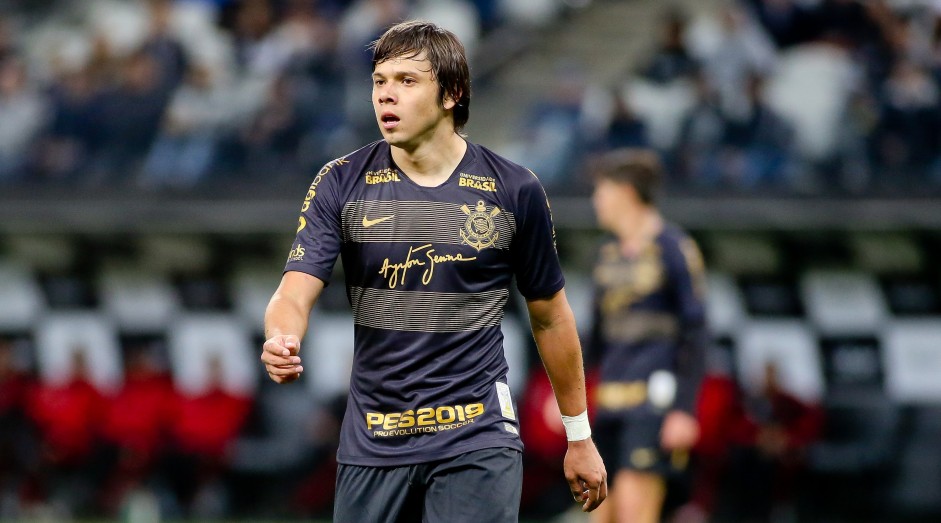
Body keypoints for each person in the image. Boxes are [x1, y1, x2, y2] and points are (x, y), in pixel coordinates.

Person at [259, 20, 607, 522]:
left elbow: (551, 317)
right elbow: (293, 291)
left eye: (407, 81)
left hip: (476, 435)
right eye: (380, 81)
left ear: (452, 93)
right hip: (374, 440)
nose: (386, 95)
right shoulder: (341, 182)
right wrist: (280, 337)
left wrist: (579, 436)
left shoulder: (514, 190)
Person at [586, 148, 707, 523]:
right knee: (600, 513)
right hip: (609, 403)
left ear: (626, 192)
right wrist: (568, 400)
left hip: (652, 406)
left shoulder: (674, 248)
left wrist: (684, 411)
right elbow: (595, 338)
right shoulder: (606, 254)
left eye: (601, 190)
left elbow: (697, 332)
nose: (596, 201)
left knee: (635, 513)